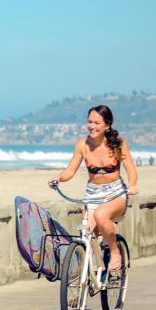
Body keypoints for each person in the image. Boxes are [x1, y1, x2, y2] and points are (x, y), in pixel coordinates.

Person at [48, 105, 138, 273]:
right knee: (86, 236)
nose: (92, 126)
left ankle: (115, 252)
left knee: (101, 215)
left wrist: (132, 185)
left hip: (115, 193)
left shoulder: (117, 142)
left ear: (107, 125)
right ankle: (84, 279)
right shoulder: (82, 145)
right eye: (89, 122)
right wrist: (58, 178)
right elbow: (70, 170)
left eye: (97, 122)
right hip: (92, 194)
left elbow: (130, 169)